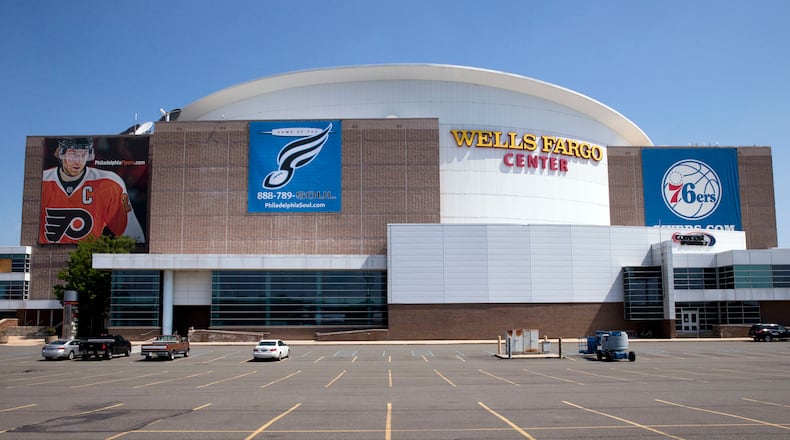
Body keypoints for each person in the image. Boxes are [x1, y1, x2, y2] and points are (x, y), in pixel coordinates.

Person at [39, 137, 145, 244]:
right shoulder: (41, 181)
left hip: (88, 256)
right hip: (46, 255)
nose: (78, 160)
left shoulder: (110, 183)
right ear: (59, 153)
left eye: (83, 154)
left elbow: (132, 235)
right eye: (73, 154)